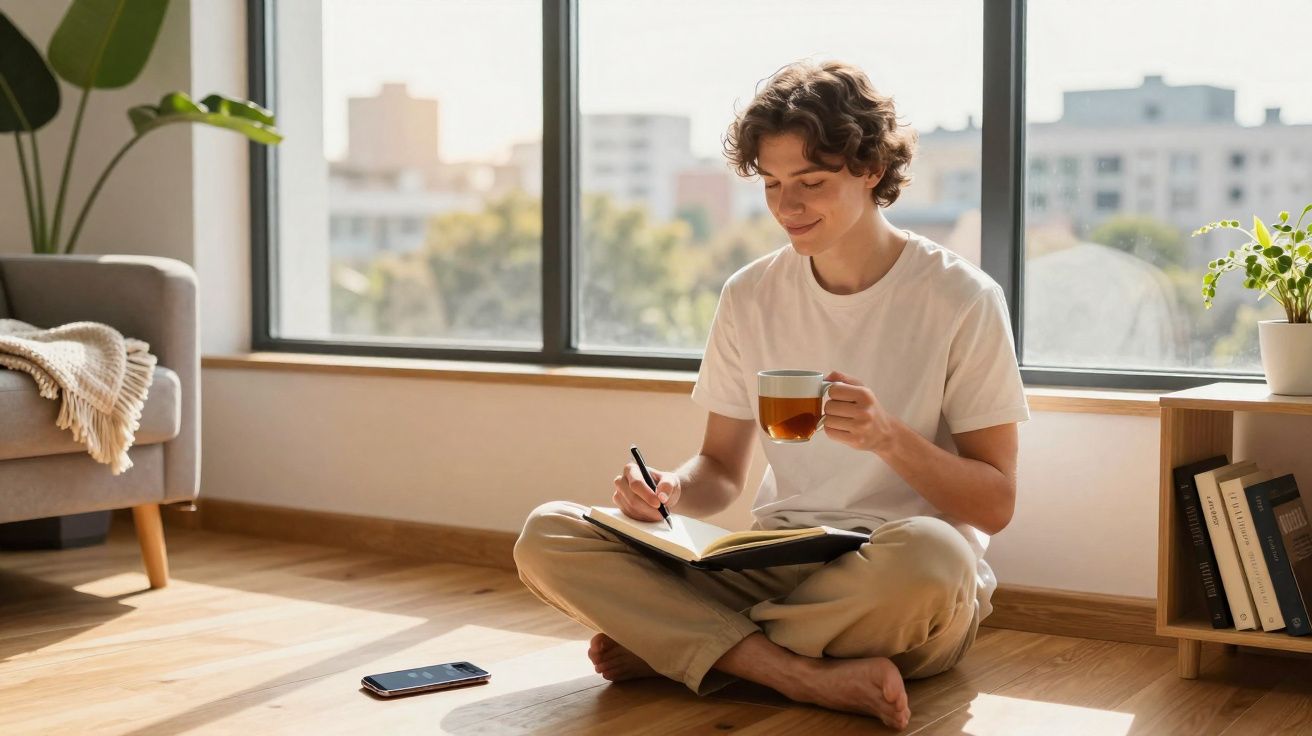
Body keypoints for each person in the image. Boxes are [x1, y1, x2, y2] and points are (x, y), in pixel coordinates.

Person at [513, 60, 1028, 730]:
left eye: (812, 182)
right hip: (775, 559)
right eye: (774, 184)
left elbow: (995, 503)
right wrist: (668, 488)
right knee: (548, 532)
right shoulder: (752, 294)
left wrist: (887, 439)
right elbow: (720, 473)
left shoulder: (961, 298)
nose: (788, 206)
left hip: (895, 584)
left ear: (871, 169)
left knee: (935, 556)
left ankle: (692, 647)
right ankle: (787, 671)